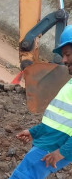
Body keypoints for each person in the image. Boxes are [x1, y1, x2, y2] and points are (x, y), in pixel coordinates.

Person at [10, 25, 72, 179]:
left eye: (67, 54)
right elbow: (60, 119)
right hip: (49, 143)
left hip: (52, 147)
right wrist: (35, 131)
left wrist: (62, 152)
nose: (63, 60)